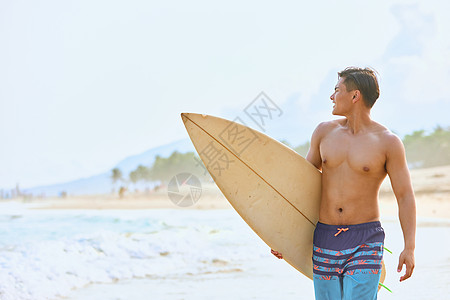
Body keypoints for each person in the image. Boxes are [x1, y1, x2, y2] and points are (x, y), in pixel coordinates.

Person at [271, 67, 416, 299]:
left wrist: (409, 247)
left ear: (355, 96)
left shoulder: (388, 142)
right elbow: (303, 185)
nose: (331, 96)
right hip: (324, 238)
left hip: (365, 240)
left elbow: (405, 195)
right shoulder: (324, 132)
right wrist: (283, 235)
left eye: (336, 90)